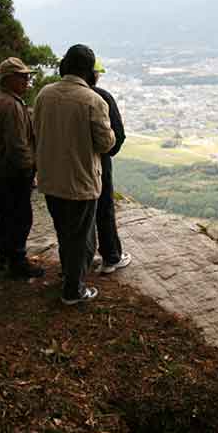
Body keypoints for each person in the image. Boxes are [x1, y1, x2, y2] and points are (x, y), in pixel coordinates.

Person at [34, 44, 115, 305]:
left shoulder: (44, 94)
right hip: (80, 181)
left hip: (50, 179)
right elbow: (105, 143)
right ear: (89, 71)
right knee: (81, 239)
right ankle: (73, 290)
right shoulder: (93, 101)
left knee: (64, 232)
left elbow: (36, 130)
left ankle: (69, 276)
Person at [0, 57, 45, 279]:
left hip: (1, 170)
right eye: (22, 76)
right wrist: (30, 169)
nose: (27, 80)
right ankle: (18, 261)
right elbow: (17, 144)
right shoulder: (11, 105)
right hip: (13, 172)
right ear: (8, 79)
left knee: (7, 215)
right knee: (20, 216)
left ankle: (5, 257)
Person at [87, 57, 130, 274]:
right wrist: (107, 153)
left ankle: (85, 256)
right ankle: (111, 255)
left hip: (67, 163)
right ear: (93, 74)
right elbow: (118, 135)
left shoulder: (50, 95)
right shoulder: (100, 97)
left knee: (78, 211)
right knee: (103, 207)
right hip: (98, 161)